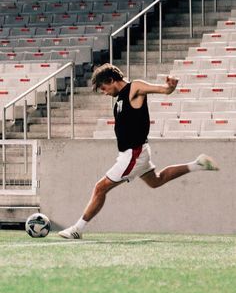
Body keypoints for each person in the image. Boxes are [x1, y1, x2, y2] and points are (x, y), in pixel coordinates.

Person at [58, 63, 219, 239]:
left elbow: (163, 90)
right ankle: (197, 165)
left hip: (133, 153)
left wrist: (170, 87)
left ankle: (77, 229)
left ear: (111, 80)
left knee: (100, 188)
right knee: (156, 180)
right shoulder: (120, 98)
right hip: (135, 152)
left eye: (104, 88)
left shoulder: (134, 87)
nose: (104, 92)